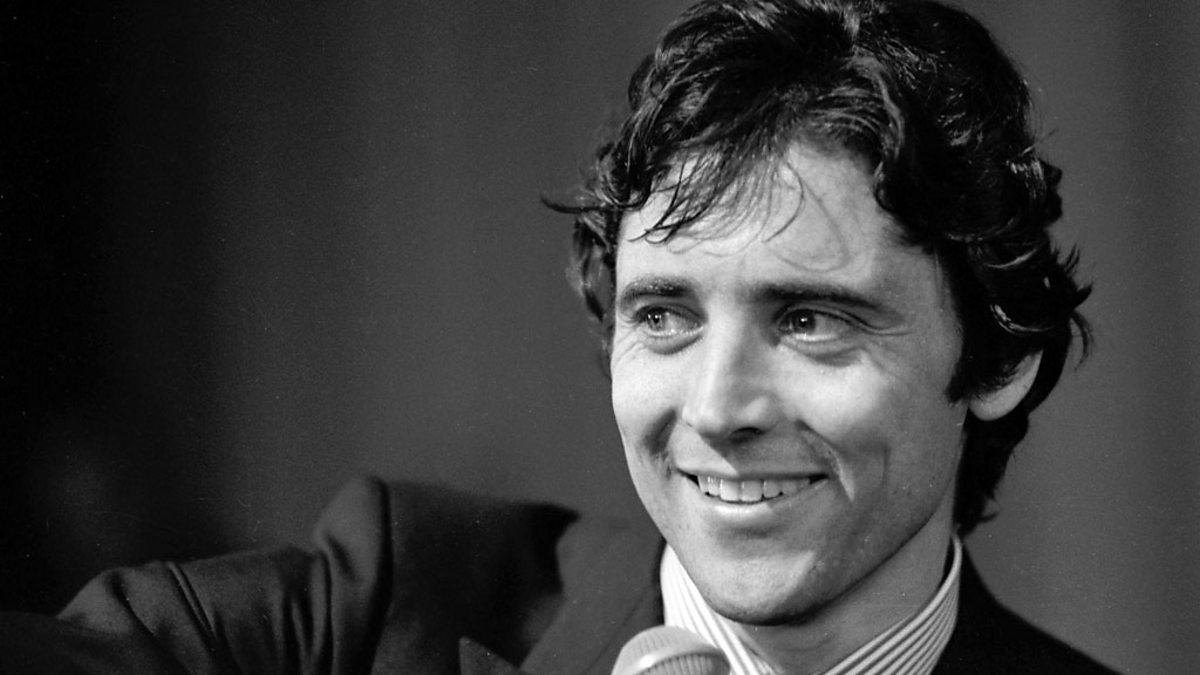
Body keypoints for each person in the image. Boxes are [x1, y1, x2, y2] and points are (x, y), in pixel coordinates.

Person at [0, 0, 1117, 673]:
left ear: (1000, 356)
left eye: (811, 318)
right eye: (665, 315)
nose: (717, 407)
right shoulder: (386, 604)